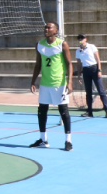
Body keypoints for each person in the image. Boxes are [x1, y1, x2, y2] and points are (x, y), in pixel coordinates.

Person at [29, 22, 74, 151]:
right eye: (45, 27)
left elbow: (69, 64)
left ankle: (68, 141)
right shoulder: (39, 44)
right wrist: (33, 81)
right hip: (45, 83)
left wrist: (69, 82)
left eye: (49, 27)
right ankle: (43, 140)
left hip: (59, 83)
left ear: (56, 30)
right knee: (42, 111)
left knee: (63, 111)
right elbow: (38, 64)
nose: (46, 29)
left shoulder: (62, 44)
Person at [75, 34, 107, 118]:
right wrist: (79, 74)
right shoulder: (78, 50)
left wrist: (99, 70)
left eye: (82, 38)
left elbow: (98, 59)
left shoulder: (91, 47)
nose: (81, 40)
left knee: (101, 90)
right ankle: (89, 111)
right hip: (86, 70)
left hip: (94, 68)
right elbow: (79, 63)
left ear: (85, 39)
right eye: (79, 38)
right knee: (88, 92)